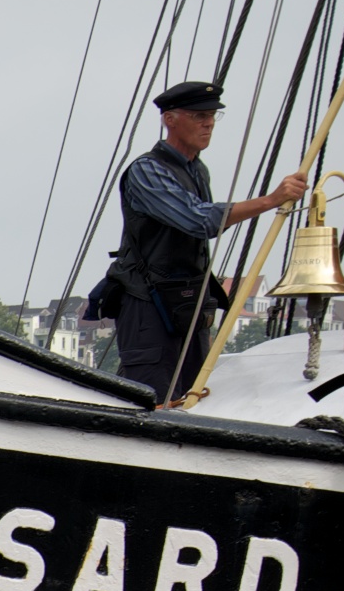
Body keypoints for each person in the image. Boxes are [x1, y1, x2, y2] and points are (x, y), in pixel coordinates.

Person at [106, 81, 309, 400]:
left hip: (186, 304)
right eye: (199, 116)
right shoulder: (147, 171)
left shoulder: (197, 170)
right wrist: (270, 200)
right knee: (152, 400)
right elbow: (198, 220)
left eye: (212, 115)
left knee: (191, 397)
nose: (209, 123)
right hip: (150, 305)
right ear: (170, 120)